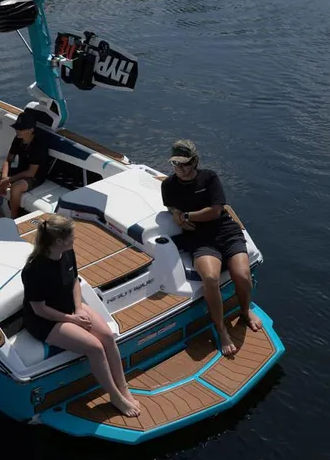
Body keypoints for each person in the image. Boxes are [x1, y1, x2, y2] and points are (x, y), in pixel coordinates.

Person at [21, 215, 141, 418]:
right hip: (45, 321)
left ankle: (123, 388)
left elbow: (75, 280)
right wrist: (72, 319)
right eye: (72, 235)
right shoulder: (34, 270)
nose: (75, 238)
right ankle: (115, 396)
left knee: (108, 337)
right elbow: (39, 310)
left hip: (70, 308)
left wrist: (78, 309)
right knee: (94, 347)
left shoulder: (67, 254)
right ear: (59, 241)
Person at [160, 139, 262, 357]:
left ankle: (245, 310)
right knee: (210, 278)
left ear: (195, 161)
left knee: (243, 275)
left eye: (185, 164)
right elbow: (170, 205)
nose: (180, 168)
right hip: (199, 239)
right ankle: (221, 328)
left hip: (226, 232)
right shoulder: (168, 185)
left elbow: (216, 211)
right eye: (175, 164)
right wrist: (175, 214)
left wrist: (185, 215)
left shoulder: (209, 177)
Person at [0, 108, 49, 221]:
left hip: (35, 177)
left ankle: (13, 220)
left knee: (16, 188)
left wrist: (8, 180)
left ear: (30, 129)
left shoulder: (39, 144)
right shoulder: (18, 139)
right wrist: (4, 177)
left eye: (21, 129)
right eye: (17, 128)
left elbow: (31, 172)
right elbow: (8, 160)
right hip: (21, 170)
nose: (17, 131)